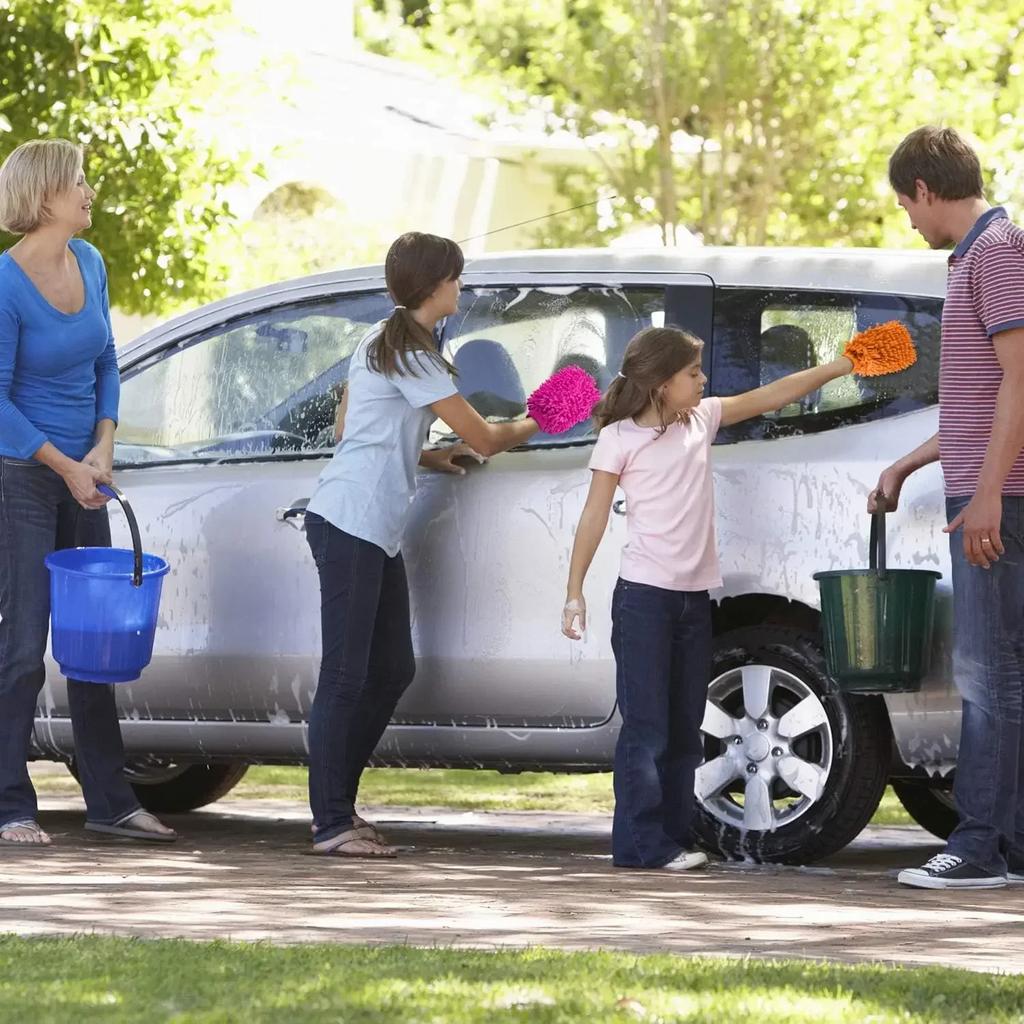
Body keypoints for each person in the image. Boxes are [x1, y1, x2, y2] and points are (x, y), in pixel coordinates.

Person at [561, 325, 853, 870]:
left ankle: (668, 840)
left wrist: (837, 368)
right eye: (693, 373)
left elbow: (773, 395)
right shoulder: (619, 438)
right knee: (646, 729)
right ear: (660, 383)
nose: (703, 380)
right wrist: (574, 592)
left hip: (693, 602)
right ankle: (642, 844)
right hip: (643, 600)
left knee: (684, 728)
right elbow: (594, 516)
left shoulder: (703, 419)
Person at [305, 231, 548, 857]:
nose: (461, 289)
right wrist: (556, 407)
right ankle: (331, 823)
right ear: (436, 286)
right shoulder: (412, 355)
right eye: (457, 279)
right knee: (345, 675)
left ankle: (339, 809)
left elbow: (347, 429)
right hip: (351, 521)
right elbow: (490, 439)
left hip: (365, 524)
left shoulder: (382, 341)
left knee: (391, 669)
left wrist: (423, 453)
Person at [0, 139, 176, 846]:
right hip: (22, 480)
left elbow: (106, 359)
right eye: (77, 182)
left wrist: (102, 445)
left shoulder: (92, 263)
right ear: (44, 198)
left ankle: (110, 798)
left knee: (92, 642)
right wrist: (64, 465)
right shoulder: (6, 285)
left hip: (86, 475)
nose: (88, 191)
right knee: (22, 645)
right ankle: (11, 802)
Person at [870, 126, 1024, 890]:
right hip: (988, 487)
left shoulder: (995, 254)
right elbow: (978, 400)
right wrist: (907, 461)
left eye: (906, 204)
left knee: (987, 673)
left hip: (1001, 498)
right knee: (1007, 672)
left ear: (927, 190)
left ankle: (978, 848)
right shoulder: (981, 256)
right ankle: (1011, 843)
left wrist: (990, 492)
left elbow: (1021, 381)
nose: (908, 219)